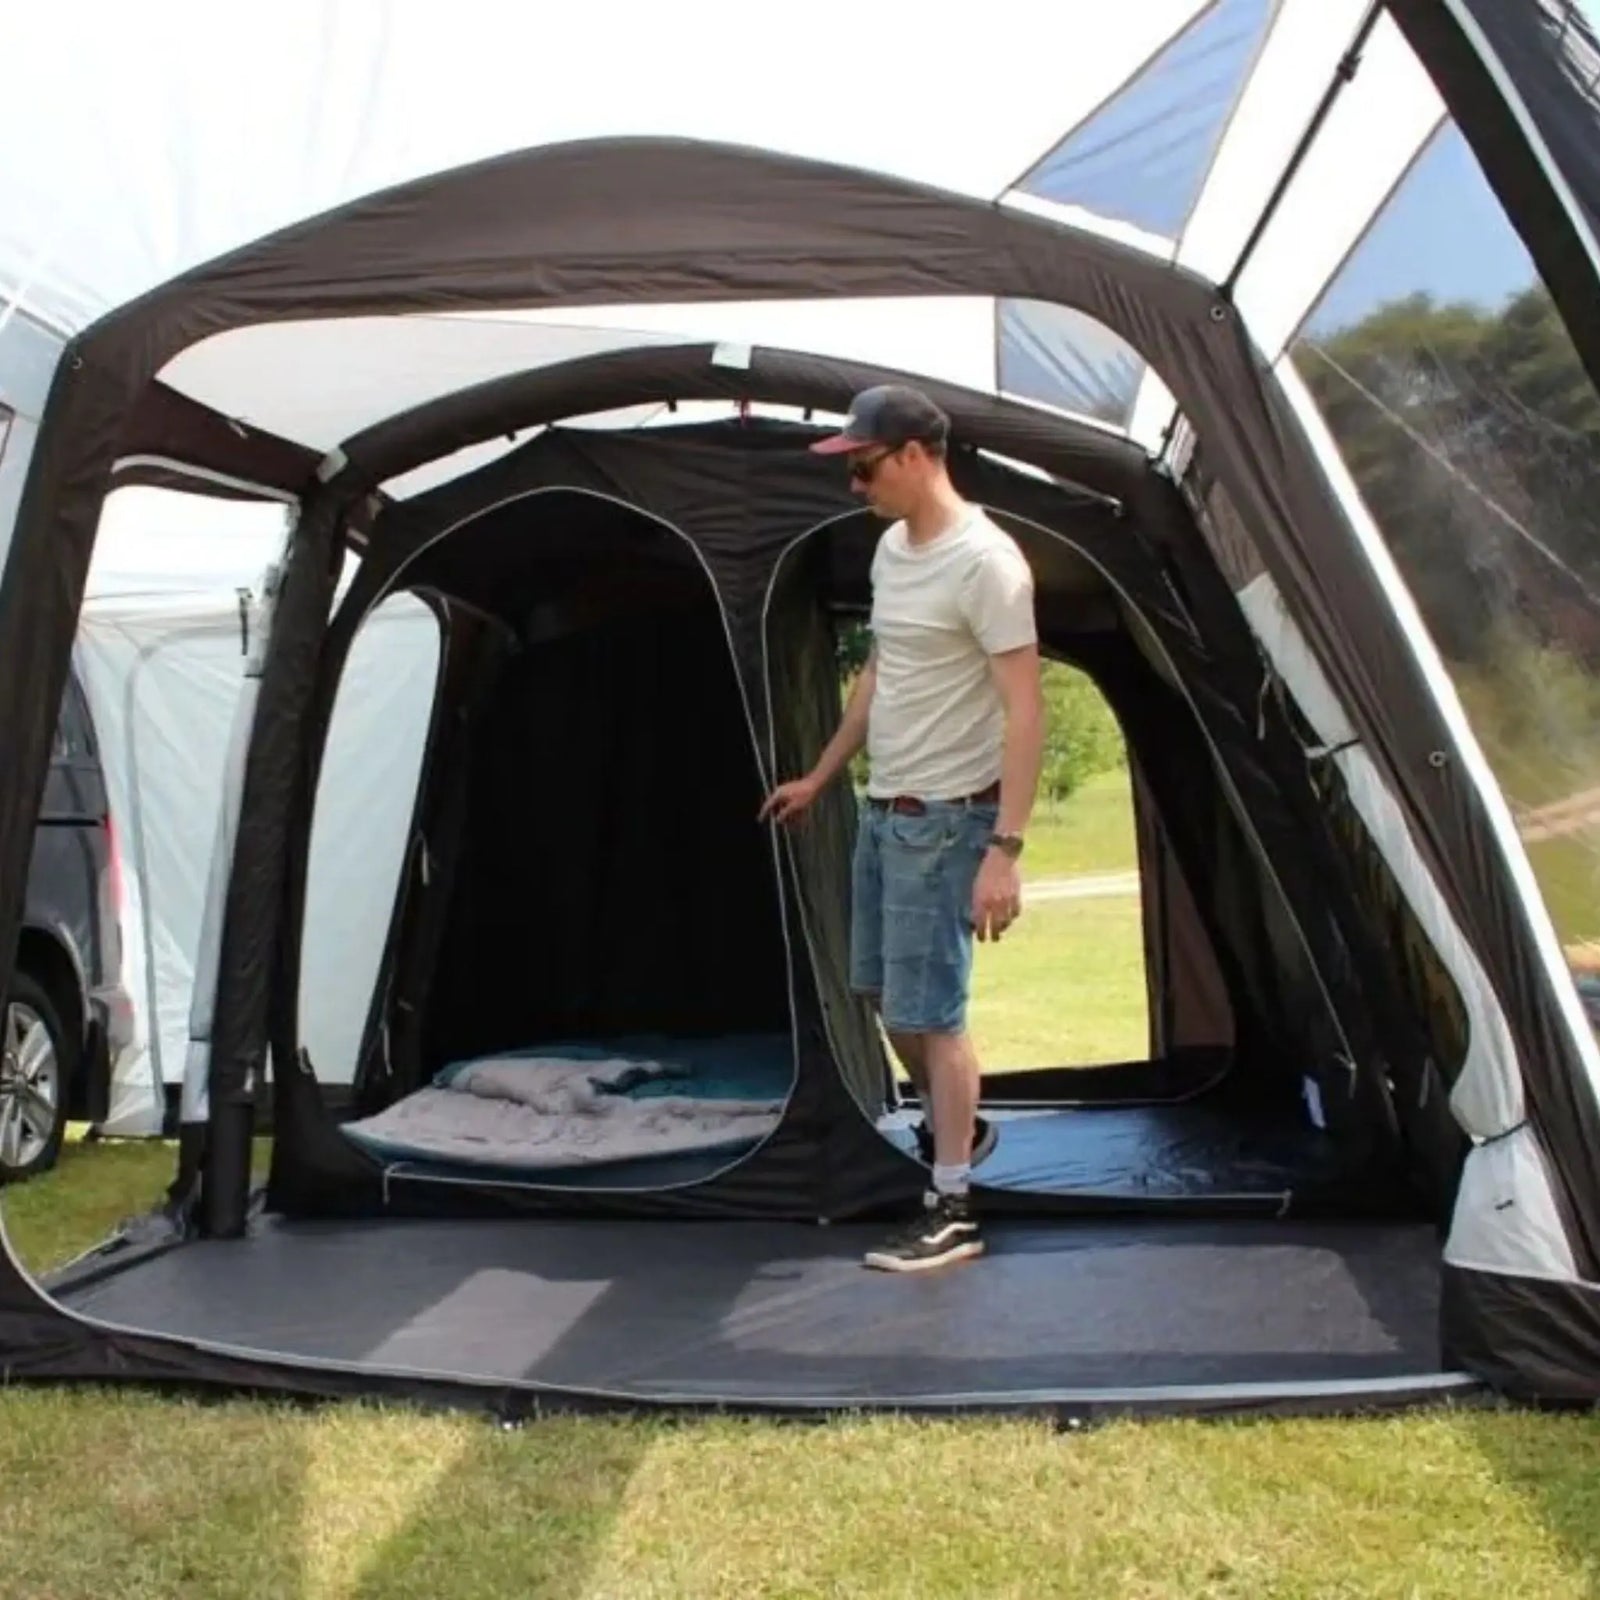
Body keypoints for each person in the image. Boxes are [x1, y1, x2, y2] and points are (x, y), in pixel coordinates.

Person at [760, 385, 1044, 1271]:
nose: (857, 486)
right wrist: (822, 774)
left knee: (936, 1013)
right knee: (882, 994)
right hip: (885, 814)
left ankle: (952, 1201)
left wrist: (1005, 848)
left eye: (865, 466)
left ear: (917, 455)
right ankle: (960, 1131)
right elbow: (882, 673)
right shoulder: (892, 551)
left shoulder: (987, 564)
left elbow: (1026, 712)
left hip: (949, 822)